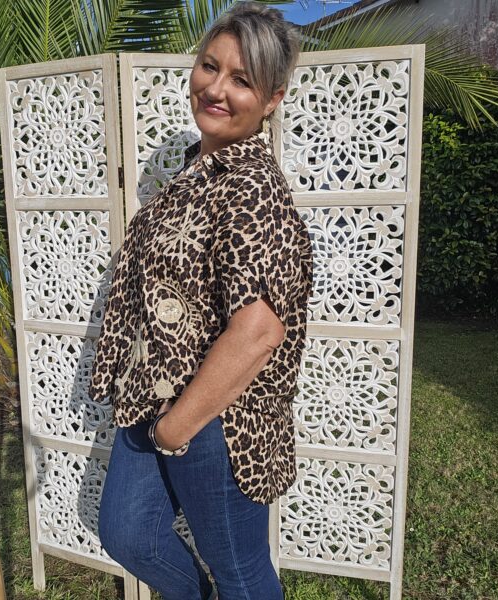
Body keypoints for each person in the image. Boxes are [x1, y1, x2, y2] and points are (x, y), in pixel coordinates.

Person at [89, 2, 313, 599]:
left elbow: (259, 331)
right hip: (152, 395)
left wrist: (175, 429)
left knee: (240, 570)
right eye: (210, 66)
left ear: (272, 98)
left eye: (242, 79)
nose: (215, 89)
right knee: (129, 534)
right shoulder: (195, 173)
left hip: (218, 418)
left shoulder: (252, 188)